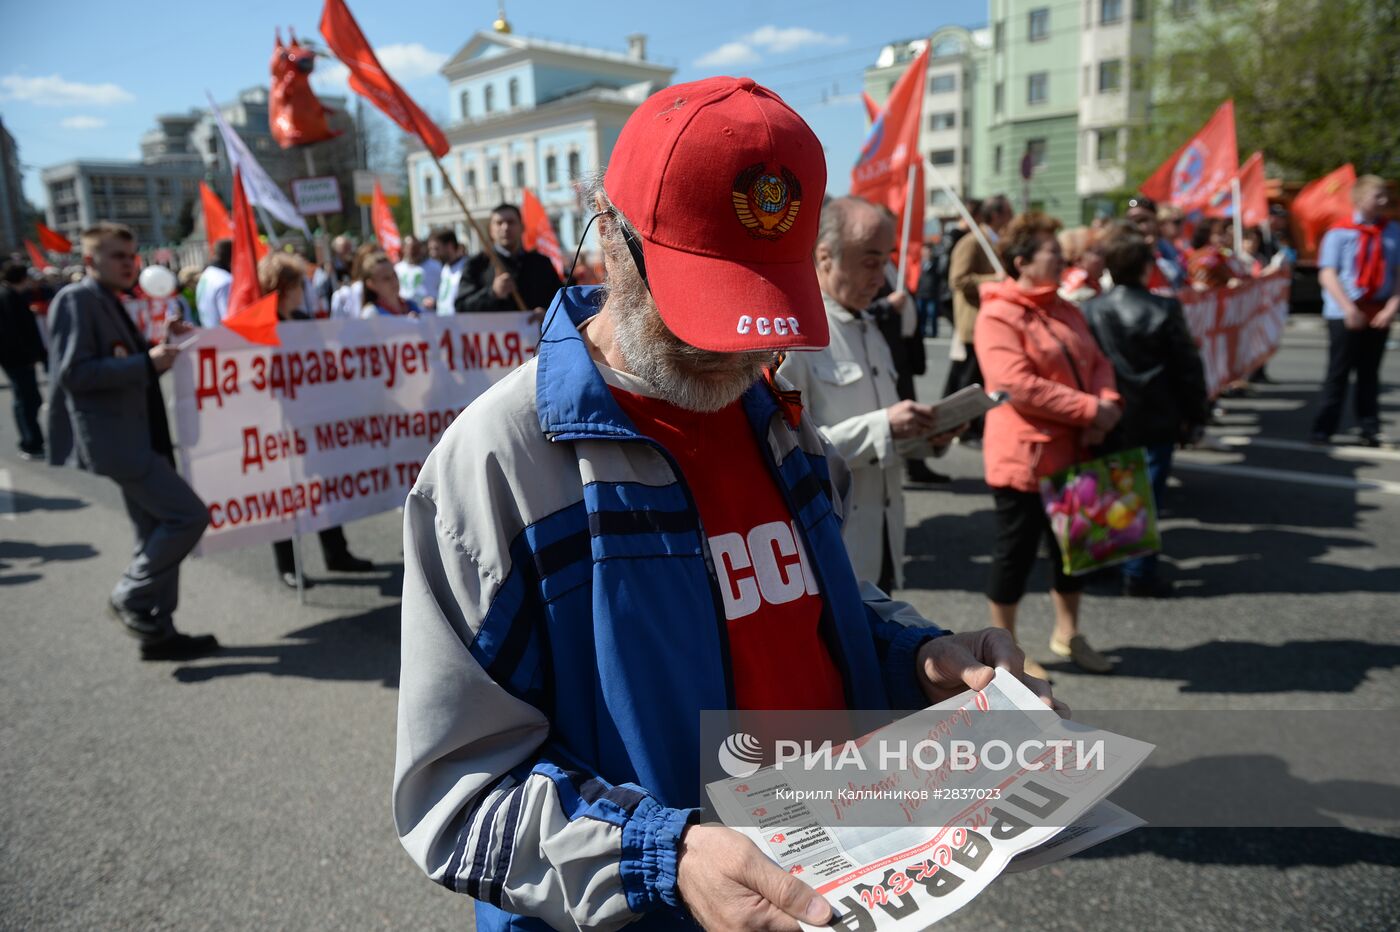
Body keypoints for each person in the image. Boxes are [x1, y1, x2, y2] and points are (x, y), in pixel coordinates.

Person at [393, 76, 1060, 932]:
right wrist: (660, 856)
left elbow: (812, 605)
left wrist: (919, 654)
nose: (727, 348)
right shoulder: (499, 464)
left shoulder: (777, 421)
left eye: (757, 306)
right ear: (611, 239)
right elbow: (455, 798)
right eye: (704, 299)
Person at [46, 223, 218, 661]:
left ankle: (158, 632)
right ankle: (130, 596)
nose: (129, 263)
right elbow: (74, 373)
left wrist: (160, 346)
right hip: (118, 439)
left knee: (155, 531)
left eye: (130, 255)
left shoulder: (109, 300)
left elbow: (124, 357)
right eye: (117, 256)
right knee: (187, 517)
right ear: (90, 261)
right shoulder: (77, 299)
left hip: (140, 432)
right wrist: (147, 361)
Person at [779, 197, 956, 589]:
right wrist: (884, 426)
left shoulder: (870, 328)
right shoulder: (798, 336)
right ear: (825, 257)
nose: (882, 277)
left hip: (885, 538)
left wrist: (926, 438)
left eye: (886, 261)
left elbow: (888, 437)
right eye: (870, 262)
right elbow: (787, 451)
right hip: (835, 549)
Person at [974, 211, 1121, 677]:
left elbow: (1098, 361)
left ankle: (1068, 634)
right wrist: (1091, 410)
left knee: (1073, 555)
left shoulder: (1065, 306)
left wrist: (1107, 403)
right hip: (1025, 459)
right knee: (1014, 556)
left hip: (1077, 452)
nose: (1064, 258)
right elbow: (1015, 384)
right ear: (1022, 261)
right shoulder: (999, 313)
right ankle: (1006, 652)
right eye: (1053, 252)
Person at [1083, 224, 1209, 598]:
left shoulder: (1090, 310)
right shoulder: (1163, 307)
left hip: (1107, 413)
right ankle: (1138, 573)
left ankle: (1102, 564)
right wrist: (1196, 412)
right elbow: (1187, 366)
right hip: (1155, 413)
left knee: (1105, 487)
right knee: (1145, 495)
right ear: (1144, 267)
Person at [257, 252, 376, 587]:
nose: (303, 291)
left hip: (312, 418)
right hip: (279, 424)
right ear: (284, 287)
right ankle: (288, 565)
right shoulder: (262, 330)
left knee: (325, 489)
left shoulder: (301, 320)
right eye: (298, 285)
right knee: (286, 495)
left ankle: (336, 553)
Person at [1309, 174, 1400, 447]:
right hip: (1345, 309)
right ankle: (1324, 427)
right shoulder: (1340, 232)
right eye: (1377, 196)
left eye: (1385, 195)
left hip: (1378, 307)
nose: (1384, 201)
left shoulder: (1393, 231)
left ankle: (1369, 426)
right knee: (1338, 371)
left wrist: (1391, 309)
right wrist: (1348, 308)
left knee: (1369, 373)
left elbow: (1397, 274)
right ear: (1360, 199)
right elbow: (1328, 274)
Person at [944, 195, 1013, 443]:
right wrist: (994, 280)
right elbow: (958, 279)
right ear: (995, 215)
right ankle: (963, 429)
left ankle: (969, 426)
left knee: (976, 379)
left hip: (988, 322)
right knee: (968, 381)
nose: (1011, 218)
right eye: (1008, 213)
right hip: (973, 323)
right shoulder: (972, 242)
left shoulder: (996, 243)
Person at [455, 202, 564, 313]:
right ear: (490, 230)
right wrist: (493, 293)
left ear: (522, 227)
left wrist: (546, 313)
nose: (505, 227)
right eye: (499, 223)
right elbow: (461, 307)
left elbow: (560, 301)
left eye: (511, 222)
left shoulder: (541, 263)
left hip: (535, 329)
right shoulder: (477, 264)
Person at [1, 260, 46, 459]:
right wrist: (28, 356)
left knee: (29, 399)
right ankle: (31, 442)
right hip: (17, 360)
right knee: (26, 400)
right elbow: (12, 333)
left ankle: (32, 440)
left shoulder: (12, 295)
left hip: (18, 359)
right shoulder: (7, 297)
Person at [1125, 196, 1185, 294]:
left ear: (1156, 221)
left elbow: (1177, 280)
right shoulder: (1121, 252)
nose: (1138, 227)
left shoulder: (1168, 250)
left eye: (1143, 220)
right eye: (1132, 221)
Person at [358, 251, 422, 318]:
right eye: (386, 278)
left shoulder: (412, 306)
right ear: (371, 285)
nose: (394, 281)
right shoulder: (371, 313)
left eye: (394, 275)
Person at [1057, 226, 1106, 304]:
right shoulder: (1077, 293)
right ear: (1078, 260)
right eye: (1098, 253)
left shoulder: (1095, 286)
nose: (1104, 258)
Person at [194, 238, 233, 326]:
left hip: (210, 333)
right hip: (224, 337)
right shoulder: (225, 281)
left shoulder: (206, 275)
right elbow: (229, 318)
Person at [428, 228, 466, 314]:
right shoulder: (445, 269)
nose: (432, 254)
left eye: (436, 249)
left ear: (449, 246)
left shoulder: (466, 268)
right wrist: (435, 303)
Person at [395, 235, 431, 306]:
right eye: (410, 248)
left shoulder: (433, 266)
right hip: (406, 312)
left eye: (416, 248)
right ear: (403, 249)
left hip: (428, 313)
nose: (413, 251)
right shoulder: (397, 269)